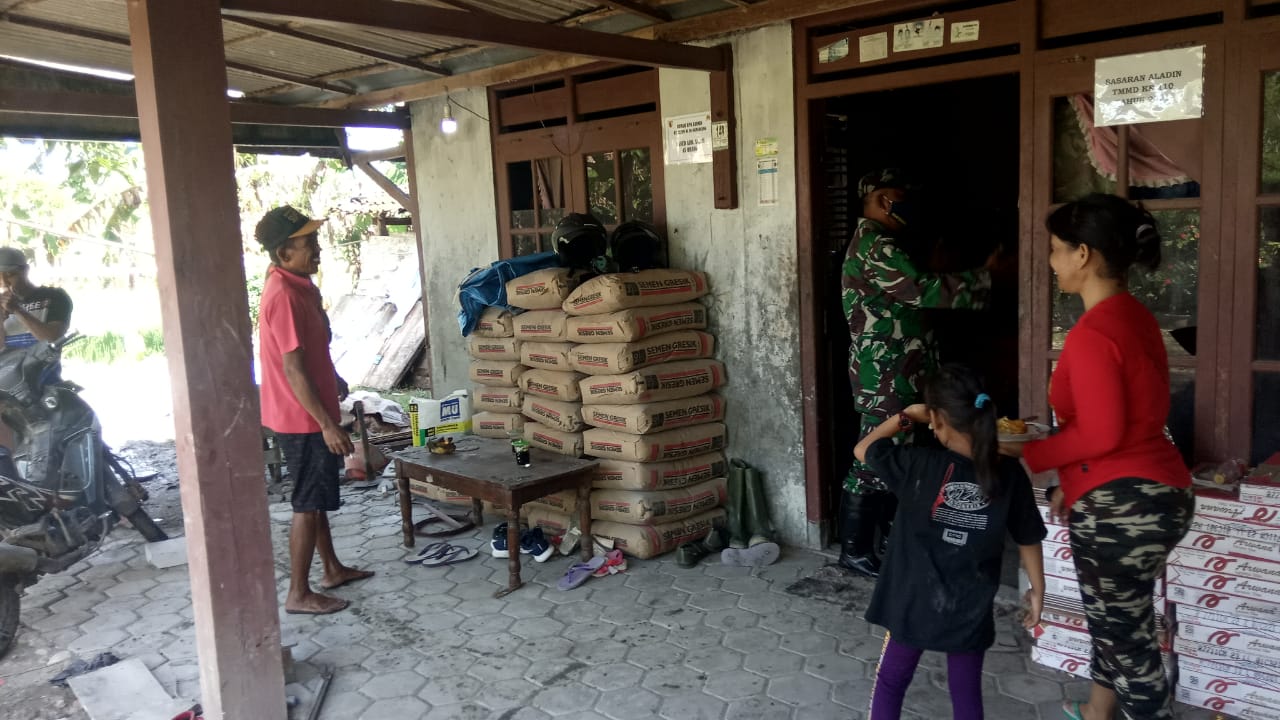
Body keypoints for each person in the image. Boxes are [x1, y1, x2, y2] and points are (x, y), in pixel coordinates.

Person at [1004, 194, 1193, 720]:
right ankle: (1096, 712)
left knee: (1129, 644)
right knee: (1118, 622)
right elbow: (1132, 423)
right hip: (1156, 492)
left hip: (1123, 508)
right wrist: (1073, 481)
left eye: (1056, 249)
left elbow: (1103, 433)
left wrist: (1027, 453)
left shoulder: (1093, 334)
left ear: (1083, 255)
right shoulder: (1133, 317)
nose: (1052, 260)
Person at [854, 364, 1046, 720]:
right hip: (968, 607)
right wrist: (1038, 590)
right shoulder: (1009, 474)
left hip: (911, 602)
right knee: (966, 693)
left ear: (937, 422)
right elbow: (1028, 536)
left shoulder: (917, 464)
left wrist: (906, 417)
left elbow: (863, 448)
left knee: (891, 682)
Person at [839, 168, 1003, 577]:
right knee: (874, 452)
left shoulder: (886, 242)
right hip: (885, 371)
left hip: (901, 365)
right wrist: (988, 277)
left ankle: (894, 540)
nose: (907, 202)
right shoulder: (876, 245)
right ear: (878, 199)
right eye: (899, 195)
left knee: (904, 449)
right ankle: (855, 550)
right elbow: (921, 289)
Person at [255, 205, 372, 616]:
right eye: (308, 244)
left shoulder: (299, 285)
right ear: (283, 252)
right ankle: (299, 593)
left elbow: (312, 350)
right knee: (307, 504)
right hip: (302, 418)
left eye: (316, 241)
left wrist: (333, 377)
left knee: (317, 497)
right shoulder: (284, 295)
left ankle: (332, 569)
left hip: (308, 411)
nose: (316, 249)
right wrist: (327, 424)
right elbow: (293, 368)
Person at [0, 247, 72, 350]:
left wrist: (17, 310)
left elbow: (53, 340)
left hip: (43, 366)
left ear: (25, 270)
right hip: (9, 366)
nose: (4, 282)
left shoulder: (55, 296)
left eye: (10, 274)